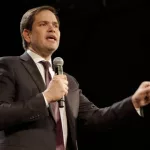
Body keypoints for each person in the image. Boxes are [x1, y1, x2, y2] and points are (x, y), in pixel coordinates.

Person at [0, 5, 150, 150]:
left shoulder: (68, 81)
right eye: (43, 24)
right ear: (27, 34)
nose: (52, 28)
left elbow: (95, 118)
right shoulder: (9, 66)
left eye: (55, 25)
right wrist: (46, 97)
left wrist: (133, 102)